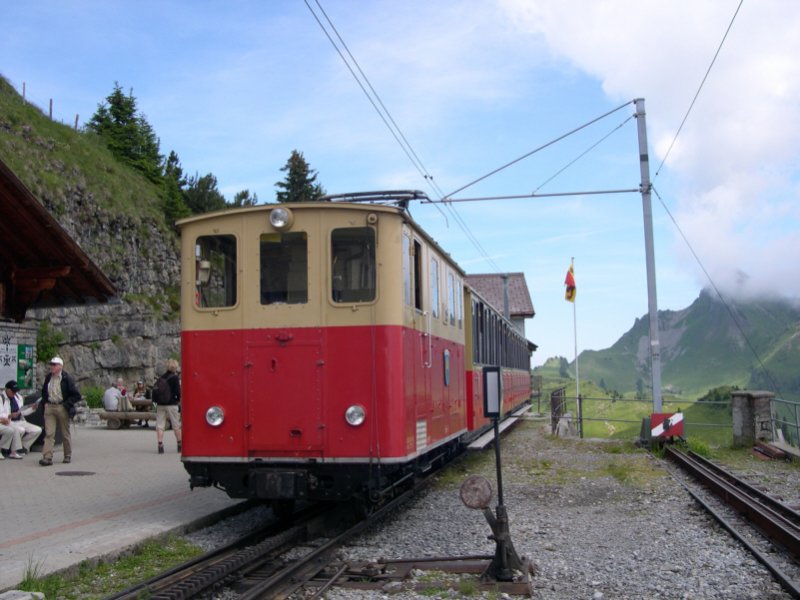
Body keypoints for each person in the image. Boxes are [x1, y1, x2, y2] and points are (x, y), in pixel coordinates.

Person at [39, 356, 82, 466]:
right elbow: (44, 392)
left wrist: (66, 404)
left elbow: (76, 395)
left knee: (65, 433)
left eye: (54, 365)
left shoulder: (67, 378)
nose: (51, 367)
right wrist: (45, 403)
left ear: (60, 366)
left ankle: (67, 455)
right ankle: (47, 457)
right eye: (51, 364)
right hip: (50, 406)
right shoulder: (48, 377)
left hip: (62, 406)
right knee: (49, 433)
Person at [4, 380, 42, 454]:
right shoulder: (2, 398)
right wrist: (10, 415)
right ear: (8, 390)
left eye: (16, 392)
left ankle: (23, 446)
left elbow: (22, 412)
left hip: (20, 420)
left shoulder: (18, 397)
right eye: (13, 392)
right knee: (20, 430)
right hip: (9, 421)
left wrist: (32, 409)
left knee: (37, 430)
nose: (14, 394)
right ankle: (15, 450)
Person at [155, 358, 182, 454]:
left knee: (160, 425)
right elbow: (178, 393)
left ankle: (160, 444)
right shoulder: (175, 378)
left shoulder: (161, 378)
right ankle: (179, 444)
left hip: (160, 404)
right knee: (176, 425)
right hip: (172, 404)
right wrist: (178, 400)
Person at [0, 385, 24, 460]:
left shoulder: (6, 398)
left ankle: (13, 452)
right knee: (9, 430)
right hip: (3, 420)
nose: (14, 394)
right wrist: (3, 419)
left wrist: (6, 418)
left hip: (5, 420)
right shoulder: (3, 398)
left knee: (14, 429)